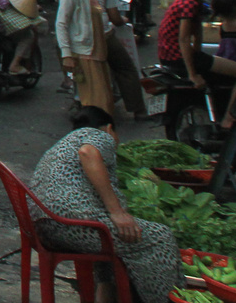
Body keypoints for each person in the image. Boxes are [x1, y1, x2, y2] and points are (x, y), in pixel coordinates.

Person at [28, 106, 180, 303]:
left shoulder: (65, 143)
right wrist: (117, 212)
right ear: (109, 129)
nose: (117, 142)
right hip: (68, 223)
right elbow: (88, 153)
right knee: (161, 237)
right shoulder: (96, 136)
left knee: (109, 243)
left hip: (45, 226)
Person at [56, 0, 122, 117]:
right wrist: (66, 54)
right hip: (85, 54)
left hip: (97, 53)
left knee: (105, 101)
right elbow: (61, 23)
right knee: (96, 103)